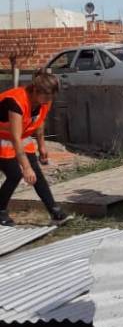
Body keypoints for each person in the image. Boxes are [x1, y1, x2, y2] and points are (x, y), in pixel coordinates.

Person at [0, 71, 70, 225]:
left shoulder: (44, 100)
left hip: (17, 137)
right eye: (46, 96)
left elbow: (39, 123)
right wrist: (26, 167)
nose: (49, 100)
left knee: (36, 174)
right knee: (15, 175)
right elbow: (15, 138)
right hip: (6, 139)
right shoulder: (16, 102)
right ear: (35, 91)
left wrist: (42, 146)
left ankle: (54, 211)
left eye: (51, 96)